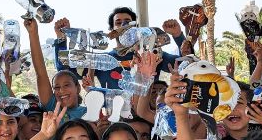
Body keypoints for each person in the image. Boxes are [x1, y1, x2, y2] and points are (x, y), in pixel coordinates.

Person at [53, 7, 187, 89]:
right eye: (118, 23)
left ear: (136, 27)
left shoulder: (152, 56)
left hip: (147, 122)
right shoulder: (100, 60)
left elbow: (185, 65)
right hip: (116, 125)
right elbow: (62, 69)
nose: (123, 25)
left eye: (128, 22)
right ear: (111, 30)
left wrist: (178, 35)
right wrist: (61, 38)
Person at [25, 18, 87, 122]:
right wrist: (33, 32)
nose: (61, 91)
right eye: (56, 87)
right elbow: (41, 73)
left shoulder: (89, 113)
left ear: (78, 88)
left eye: (67, 85)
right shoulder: (51, 107)